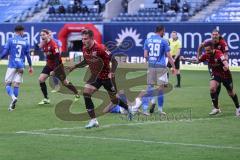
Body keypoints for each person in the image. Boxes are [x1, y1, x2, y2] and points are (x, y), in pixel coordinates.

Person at [68, 29, 132, 129]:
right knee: (86, 93)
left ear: (92, 38)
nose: (83, 41)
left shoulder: (100, 48)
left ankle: (128, 108)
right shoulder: (84, 48)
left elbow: (114, 60)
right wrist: (75, 66)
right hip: (96, 76)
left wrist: (112, 72)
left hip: (106, 77)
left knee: (114, 100)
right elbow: (86, 60)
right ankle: (94, 120)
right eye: (82, 39)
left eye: (86, 39)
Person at [184, 42, 240, 116]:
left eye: (208, 50)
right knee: (212, 88)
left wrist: (226, 66)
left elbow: (225, 61)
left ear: (213, 49)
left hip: (225, 75)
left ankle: (238, 108)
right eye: (206, 50)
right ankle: (216, 108)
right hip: (216, 74)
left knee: (230, 93)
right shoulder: (206, 55)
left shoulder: (219, 53)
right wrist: (185, 59)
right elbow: (197, 61)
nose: (207, 52)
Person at [138, 25, 176, 115]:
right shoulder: (164, 41)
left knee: (149, 88)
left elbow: (145, 55)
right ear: (162, 31)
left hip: (151, 66)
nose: (164, 33)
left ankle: (144, 110)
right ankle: (160, 110)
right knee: (160, 89)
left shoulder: (148, 40)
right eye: (164, 31)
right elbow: (169, 56)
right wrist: (174, 67)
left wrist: (152, 60)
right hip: (161, 67)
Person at [38, 29, 79, 105]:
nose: (42, 36)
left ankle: (76, 93)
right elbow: (41, 50)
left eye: (44, 35)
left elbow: (57, 58)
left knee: (65, 83)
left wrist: (55, 70)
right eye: (41, 35)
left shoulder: (53, 44)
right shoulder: (43, 44)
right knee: (41, 79)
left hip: (58, 65)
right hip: (49, 65)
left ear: (48, 35)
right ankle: (46, 99)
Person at [0, 25, 33, 111]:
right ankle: (12, 106)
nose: (24, 33)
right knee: (16, 85)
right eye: (23, 32)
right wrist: (30, 66)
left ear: (15, 31)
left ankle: (13, 98)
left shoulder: (10, 40)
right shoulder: (25, 42)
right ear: (21, 31)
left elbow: (5, 52)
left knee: (7, 84)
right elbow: (28, 56)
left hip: (12, 65)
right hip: (21, 66)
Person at [198, 29, 229, 112]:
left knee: (224, 85)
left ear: (219, 35)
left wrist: (225, 63)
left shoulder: (223, 43)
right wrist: (199, 53)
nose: (214, 36)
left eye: (216, 34)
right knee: (215, 83)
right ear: (211, 35)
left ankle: (217, 101)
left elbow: (226, 54)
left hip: (221, 65)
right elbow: (200, 47)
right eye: (213, 34)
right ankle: (216, 103)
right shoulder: (208, 42)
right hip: (212, 66)